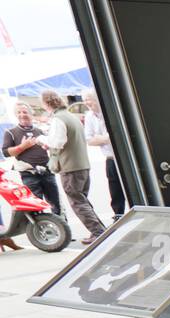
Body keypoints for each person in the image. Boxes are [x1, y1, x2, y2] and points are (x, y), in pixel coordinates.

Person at [37, 90, 106, 244]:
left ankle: (98, 232)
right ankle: (100, 230)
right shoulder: (71, 117)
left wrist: (42, 139)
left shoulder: (58, 119)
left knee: (77, 202)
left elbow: (57, 142)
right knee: (83, 200)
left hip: (70, 167)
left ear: (46, 103)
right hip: (82, 165)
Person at [3, 102, 61, 216]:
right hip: (29, 174)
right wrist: (23, 146)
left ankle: (62, 228)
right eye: (18, 112)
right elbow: (6, 153)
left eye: (24, 112)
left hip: (47, 171)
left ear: (31, 113)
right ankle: (41, 231)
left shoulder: (40, 131)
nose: (22, 115)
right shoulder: (10, 132)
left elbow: (51, 146)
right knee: (35, 208)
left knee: (56, 204)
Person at [81, 90, 125, 219]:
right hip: (110, 157)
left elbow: (116, 135)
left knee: (130, 187)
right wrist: (105, 138)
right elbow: (89, 140)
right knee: (115, 189)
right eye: (85, 100)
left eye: (90, 99)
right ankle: (118, 215)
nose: (88, 102)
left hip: (122, 157)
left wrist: (101, 138)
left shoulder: (109, 111)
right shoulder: (89, 116)